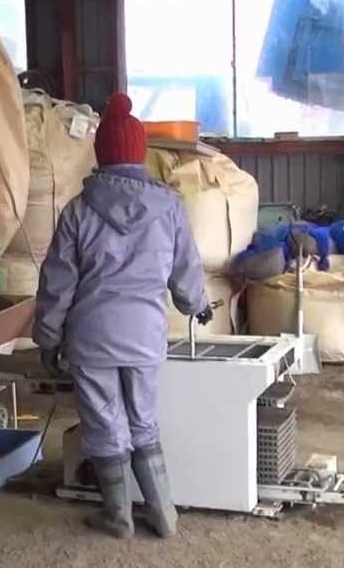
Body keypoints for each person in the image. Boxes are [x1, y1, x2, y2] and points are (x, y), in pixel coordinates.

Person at [34, 93, 212, 539]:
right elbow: (185, 267)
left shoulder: (77, 211)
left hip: (92, 338)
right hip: (146, 336)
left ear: (102, 155)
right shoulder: (169, 207)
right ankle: (163, 513)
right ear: (138, 154)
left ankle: (118, 516)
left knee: (104, 422)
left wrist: (48, 337)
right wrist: (197, 305)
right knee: (143, 419)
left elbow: (57, 284)